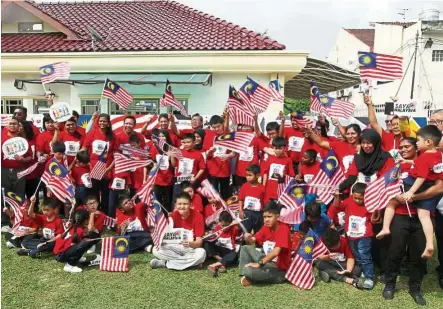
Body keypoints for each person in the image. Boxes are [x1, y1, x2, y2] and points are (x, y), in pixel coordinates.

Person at [377, 125, 442, 259]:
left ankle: (385, 227)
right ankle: (430, 243)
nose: (417, 143)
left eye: (418, 140)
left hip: (413, 185)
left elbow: (421, 177)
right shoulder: (438, 155)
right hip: (430, 190)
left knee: (390, 202)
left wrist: (411, 192)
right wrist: (407, 160)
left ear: (428, 142)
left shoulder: (424, 158)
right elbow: (421, 164)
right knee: (424, 217)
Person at [239, 201, 291, 286]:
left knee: (249, 270)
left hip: (278, 268)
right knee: (245, 248)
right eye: (264, 217)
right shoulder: (265, 227)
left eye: (269, 217)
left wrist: (258, 264)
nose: (266, 220)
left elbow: (275, 252)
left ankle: (250, 275)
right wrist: (248, 238)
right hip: (267, 260)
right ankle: (245, 275)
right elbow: (252, 240)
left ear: (277, 216)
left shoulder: (283, 229)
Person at [151, 192, 206, 270]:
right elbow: (165, 236)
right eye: (179, 204)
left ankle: (165, 263)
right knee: (155, 250)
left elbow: (199, 243)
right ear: (175, 205)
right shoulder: (173, 215)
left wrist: (190, 244)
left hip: (190, 249)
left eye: (185, 204)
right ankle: (191, 264)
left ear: (190, 205)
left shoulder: (198, 216)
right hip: (175, 248)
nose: (182, 206)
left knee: (202, 253)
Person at [334, 182, 374, 289]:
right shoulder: (349, 201)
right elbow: (337, 206)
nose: (357, 200)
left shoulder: (370, 203)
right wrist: (337, 196)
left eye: (360, 198)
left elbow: (374, 218)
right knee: (356, 254)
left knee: (364, 254)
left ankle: (369, 277)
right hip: (351, 235)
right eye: (355, 198)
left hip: (365, 235)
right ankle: (361, 271)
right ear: (352, 195)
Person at [81, 113, 117, 216]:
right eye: (100, 121)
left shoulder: (113, 137)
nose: (102, 123)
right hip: (93, 169)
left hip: (106, 170)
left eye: (104, 121)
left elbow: (117, 155)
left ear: (108, 123)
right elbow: (84, 149)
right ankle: (95, 215)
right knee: (94, 194)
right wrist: (86, 161)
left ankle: (104, 216)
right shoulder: (92, 134)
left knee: (105, 194)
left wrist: (109, 169)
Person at [1, 117, 33, 229]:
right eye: (10, 124)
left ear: (18, 126)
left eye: (15, 124)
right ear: (6, 126)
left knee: (19, 195)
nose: (13, 126)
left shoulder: (23, 141)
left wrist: (23, 160)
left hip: (19, 171)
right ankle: (4, 222)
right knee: (3, 196)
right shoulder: (1, 138)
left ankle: (18, 219)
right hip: (3, 170)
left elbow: (30, 156)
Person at [53, 209, 101, 273]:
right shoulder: (79, 230)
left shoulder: (74, 226)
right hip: (61, 255)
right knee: (86, 243)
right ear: (86, 220)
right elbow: (90, 228)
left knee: (88, 240)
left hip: (60, 253)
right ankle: (70, 265)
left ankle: (76, 258)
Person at [203, 115, 235, 199]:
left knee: (225, 193)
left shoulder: (229, 135)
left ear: (223, 124)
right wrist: (210, 151)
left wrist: (229, 155)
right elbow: (205, 154)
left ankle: (224, 210)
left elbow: (235, 151)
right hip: (212, 169)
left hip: (225, 169)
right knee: (214, 194)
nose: (217, 129)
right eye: (214, 127)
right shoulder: (208, 136)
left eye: (218, 126)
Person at [205, 211, 239, 277]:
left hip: (228, 250)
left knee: (234, 255)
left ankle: (214, 265)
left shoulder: (233, 228)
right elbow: (212, 240)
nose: (225, 227)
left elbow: (239, 226)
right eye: (223, 225)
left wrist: (236, 224)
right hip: (218, 249)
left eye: (227, 225)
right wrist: (212, 236)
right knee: (206, 243)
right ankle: (221, 262)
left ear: (230, 223)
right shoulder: (217, 228)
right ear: (219, 222)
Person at [171, 133, 206, 197]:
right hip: (179, 182)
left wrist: (195, 178)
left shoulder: (199, 154)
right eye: (184, 142)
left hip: (191, 182)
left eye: (188, 142)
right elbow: (174, 165)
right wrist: (172, 156)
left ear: (194, 142)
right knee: (176, 201)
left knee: (190, 201)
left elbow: (202, 168)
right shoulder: (179, 151)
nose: (186, 144)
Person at [263, 137, 295, 202]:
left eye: (280, 148)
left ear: (284, 148)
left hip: (281, 189)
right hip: (269, 188)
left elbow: (291, 176)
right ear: (273, 148)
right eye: (276, 148)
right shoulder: (270, 159)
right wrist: (263, 186)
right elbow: (265, 173)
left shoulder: (288, 160)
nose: (278, 150)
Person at [150, 129, 174, 214]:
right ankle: (159, 218)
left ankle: (167, 218)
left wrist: (171, 155)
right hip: (158, 179)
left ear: (167, 137)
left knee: (167, 201)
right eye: (159, 136)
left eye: (163, 136)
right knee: (157, 200)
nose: (161, 138)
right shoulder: (154, 147)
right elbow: (152, 163)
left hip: (168, 179)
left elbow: (174, 165)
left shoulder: (171, 148)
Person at [238, 164, 265, 233]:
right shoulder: (244, 186)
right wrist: (240, 210)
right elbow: (240, 199)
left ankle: (258, 243)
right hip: (247, 213)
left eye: (250, 175)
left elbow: (265, 202)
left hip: (258, 214)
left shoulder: (262, 188)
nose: (248, 177)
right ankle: (244, 243)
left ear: (258, 175)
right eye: (247, 175)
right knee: (246, 232)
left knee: (258, 232)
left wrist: (263, 215)